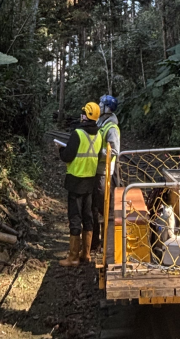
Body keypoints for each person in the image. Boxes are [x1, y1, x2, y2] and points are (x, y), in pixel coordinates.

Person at [58, 101, 102, 267]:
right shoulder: (99, 135)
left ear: (85, 115)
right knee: (88, 217)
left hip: (76, 181)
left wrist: (60, 150)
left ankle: (73, 257)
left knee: (75, 218)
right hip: (90, 182)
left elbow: (67, 156)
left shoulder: (78, 133)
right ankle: (86, 254)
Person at [91, 94, 120, 250]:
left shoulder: (112, 128)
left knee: (104, 208)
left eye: (101, 104)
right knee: (94, 207)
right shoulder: (101, 122)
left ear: (107, 108)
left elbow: (114, 151)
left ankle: (107, 242)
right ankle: (95, 242)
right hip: (96, 170)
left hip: (104, 173)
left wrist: (95, 152)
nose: (98, 106)